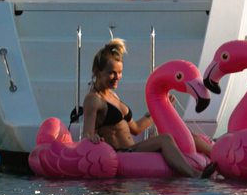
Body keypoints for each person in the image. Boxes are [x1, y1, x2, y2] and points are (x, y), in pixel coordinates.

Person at [81, 39, 217, 178]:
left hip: (131, 149)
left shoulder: (113, 96)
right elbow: (86, 135)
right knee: (165, 139)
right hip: (120, 153)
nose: (117, 77)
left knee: (188, 137)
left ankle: (220, 160)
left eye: (120, 72)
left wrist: (160, 109)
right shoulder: (93, 99)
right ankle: (195, 174)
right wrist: (93, 138)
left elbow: (135, 128)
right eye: (112, 73)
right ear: (97, 72)